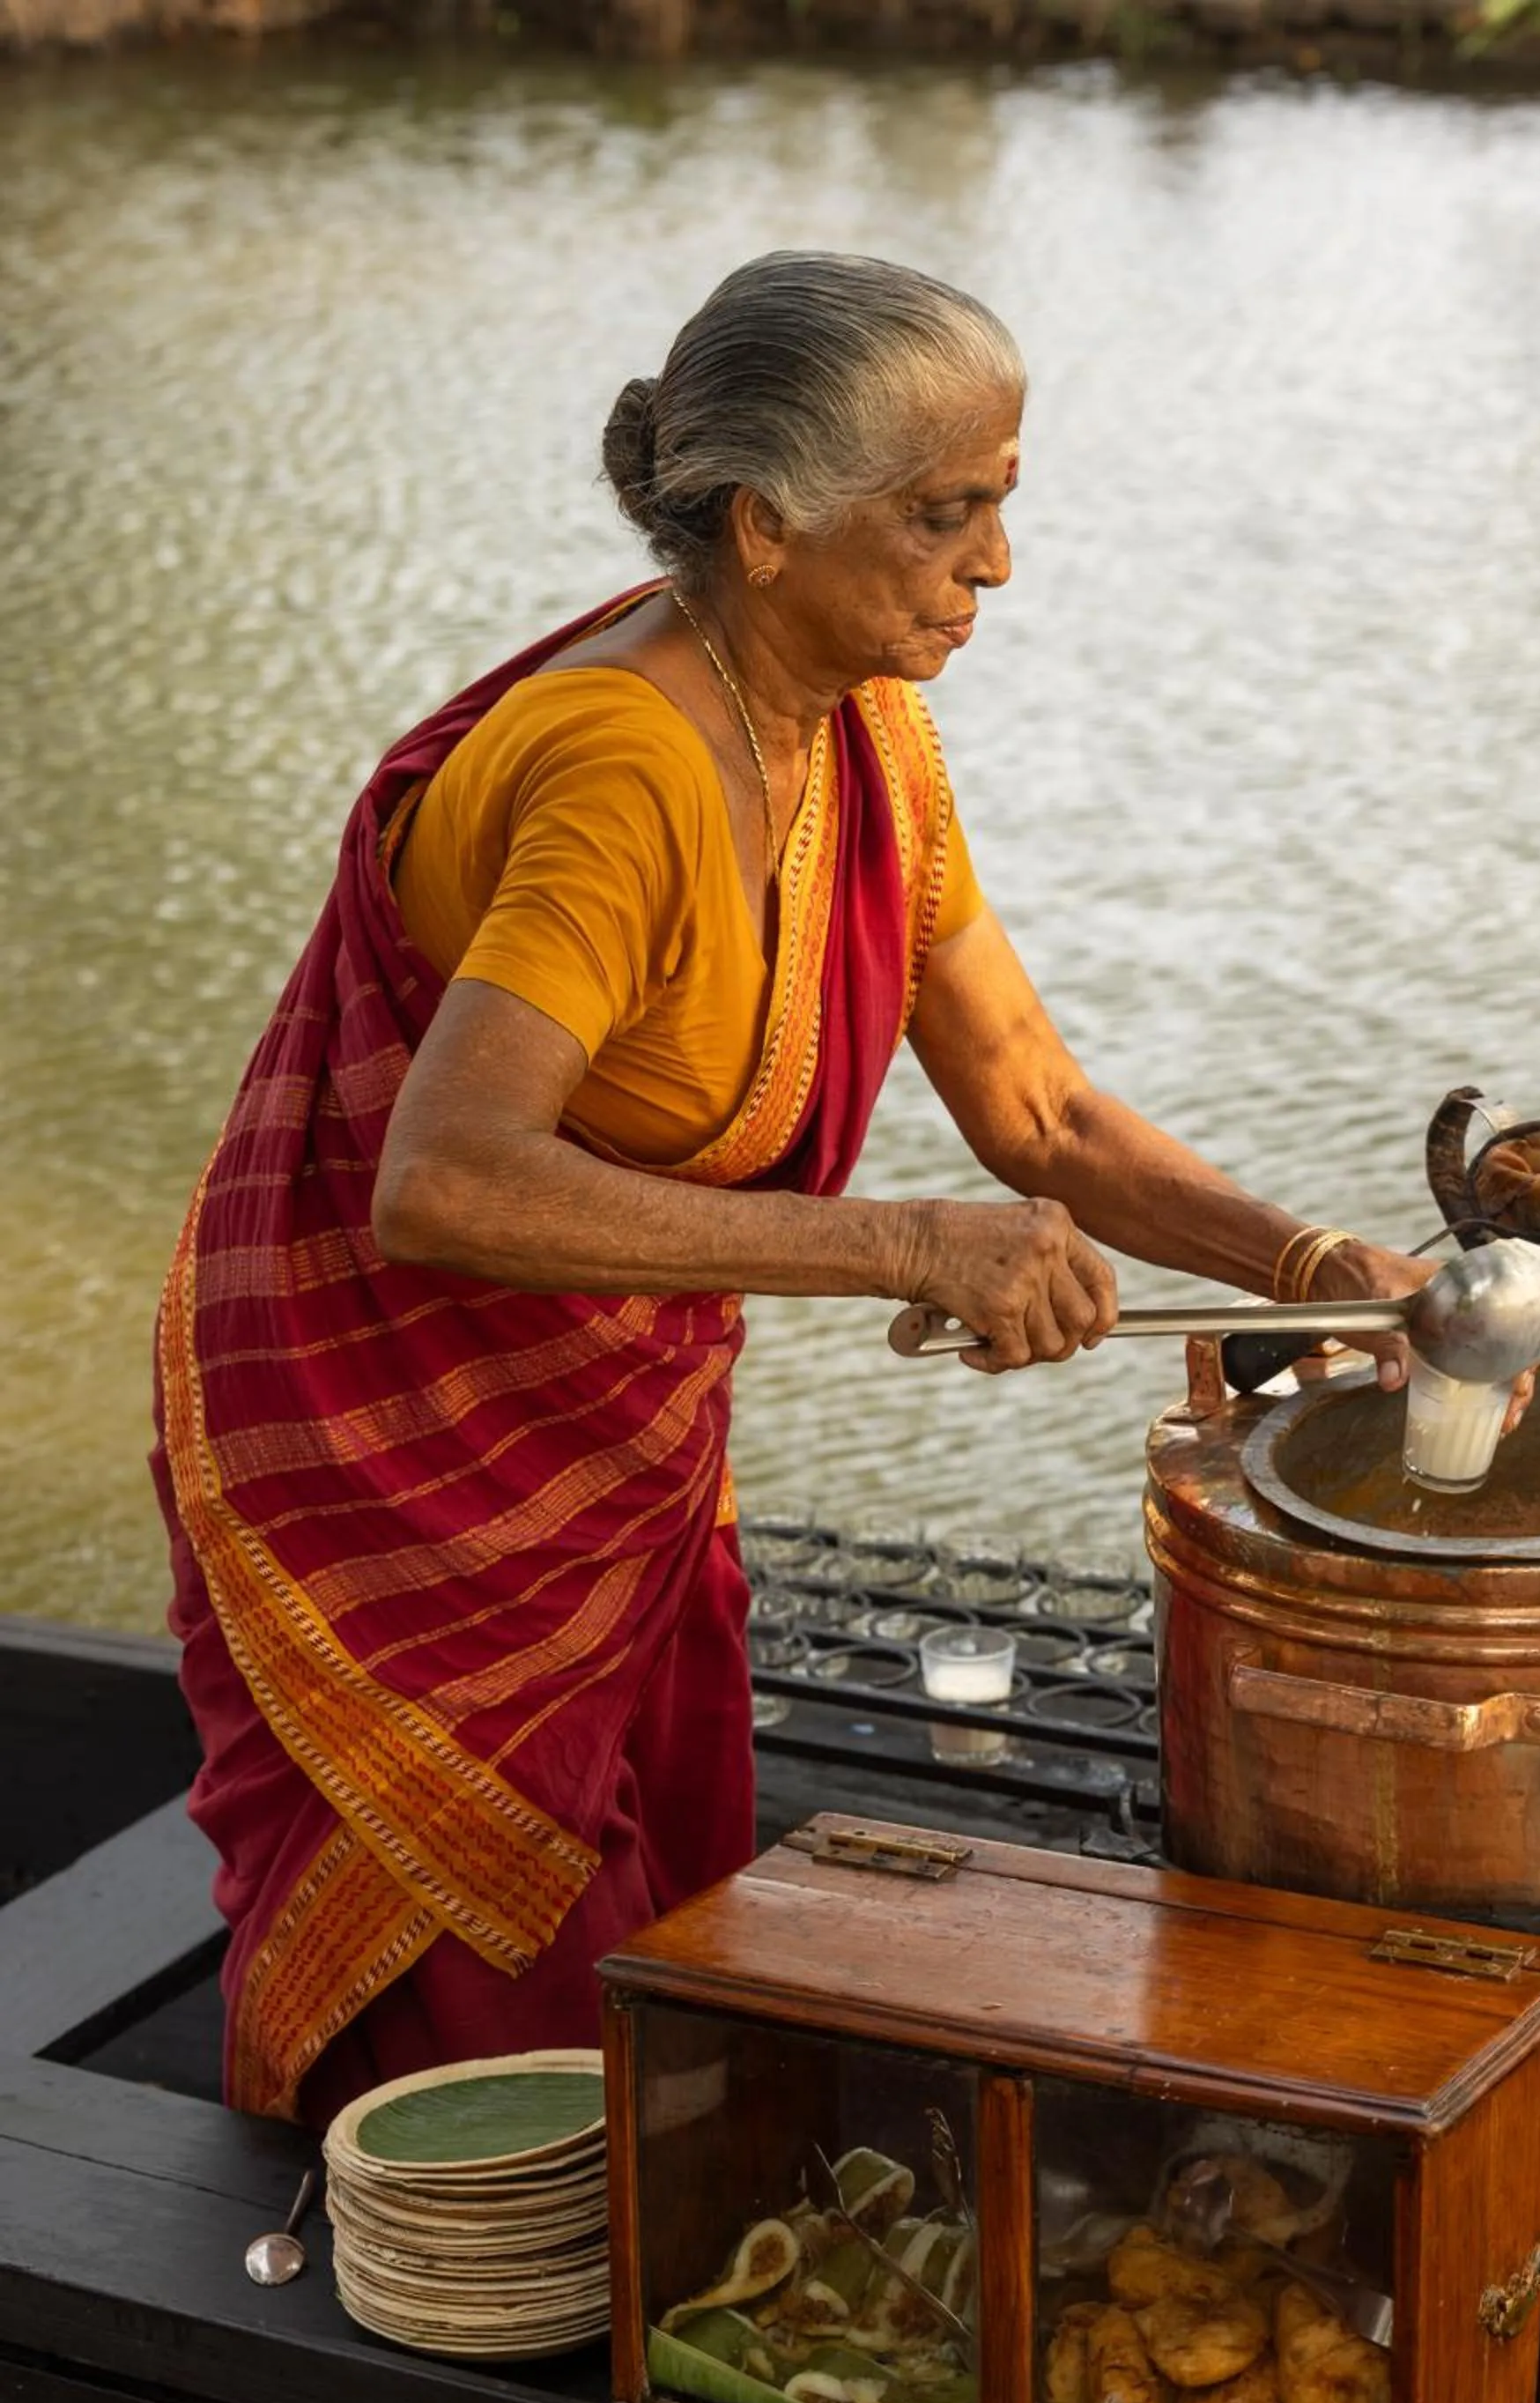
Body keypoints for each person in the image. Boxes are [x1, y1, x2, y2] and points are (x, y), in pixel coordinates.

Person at [152, 250, 1428, 2126]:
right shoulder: (622, 767)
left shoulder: (862, 733)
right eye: (945, 514)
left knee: (655, 1949)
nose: (996, 565)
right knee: (482, 2047)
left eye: (1002, 503)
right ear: (762, 525)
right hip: (395, 1459)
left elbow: (1036, 1106)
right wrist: (910, 1241)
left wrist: (1314, 1267)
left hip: (620, 1450)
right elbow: (443, 1180)